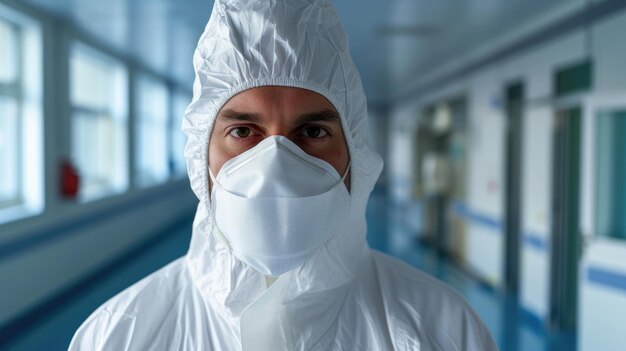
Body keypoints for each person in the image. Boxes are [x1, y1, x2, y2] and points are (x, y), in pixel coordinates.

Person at [69, 0, 498, 350]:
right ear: (201, 156)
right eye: (242, 131)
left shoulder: (442, 331)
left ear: (356, 156)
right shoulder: (118, 335)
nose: (275, 163)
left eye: (312, 132)